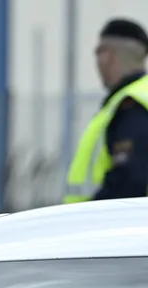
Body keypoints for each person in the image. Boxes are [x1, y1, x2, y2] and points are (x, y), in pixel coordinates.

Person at [64, 17, 148, 203]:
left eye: (98, 53)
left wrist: (89, 218)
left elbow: (129, 181)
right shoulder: (137, 97)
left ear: (109, 55)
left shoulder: (131, 105)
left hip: (109, 228)